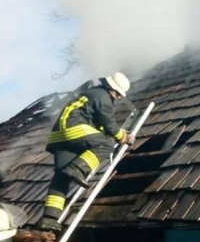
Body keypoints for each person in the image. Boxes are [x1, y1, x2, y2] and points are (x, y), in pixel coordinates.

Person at [37, 72, 135, 231]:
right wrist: (123, 136)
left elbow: (97, 123)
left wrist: (113, 131)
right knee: (105, 146)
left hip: (59, 137)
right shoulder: (103, 98)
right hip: (75, 129)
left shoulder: (92, 93)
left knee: (61, 178)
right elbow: (109, 125)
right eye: (117, 93)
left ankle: (49, 218)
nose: (118, 97)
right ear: (111, 88)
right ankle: (79, 168)